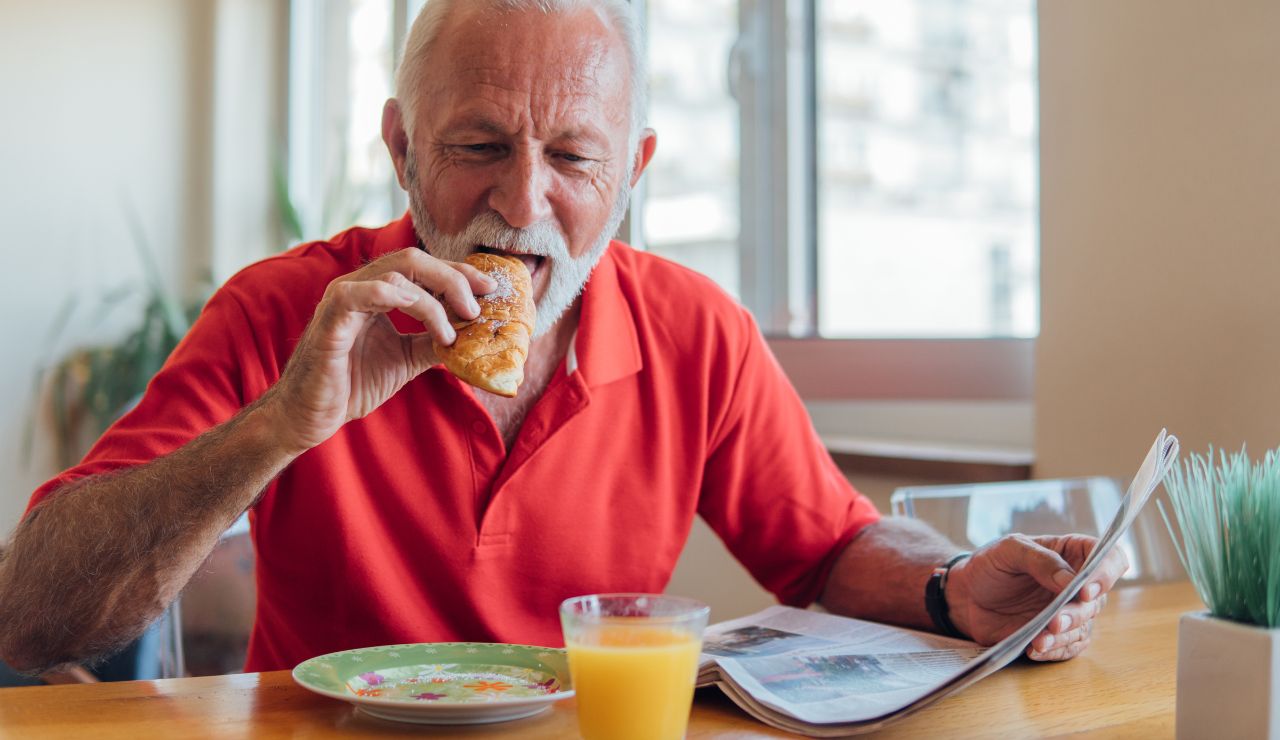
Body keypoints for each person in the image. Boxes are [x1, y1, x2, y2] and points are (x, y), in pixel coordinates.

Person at [0, 0, 1124, 676]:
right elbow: (32, 615)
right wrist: (280, 428)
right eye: (478, 143)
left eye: (573, 158)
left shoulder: (695, 330)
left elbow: (826, 546)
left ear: (631, 173)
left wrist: (952, 588)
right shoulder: (286, 309)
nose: (522, 201)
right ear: (401, 150)